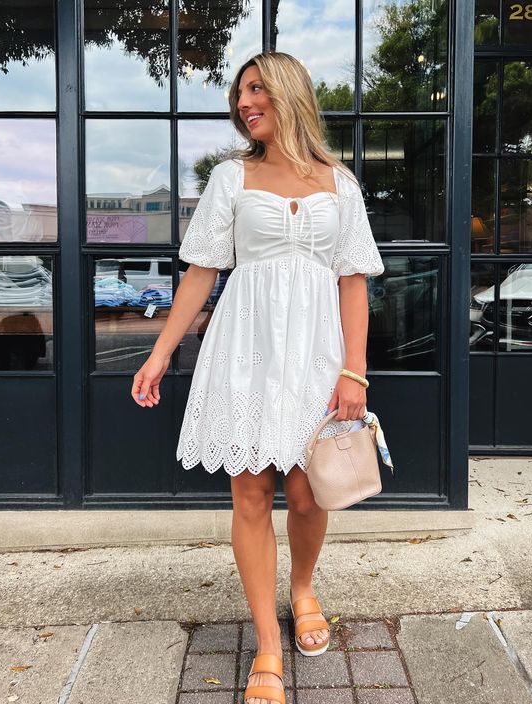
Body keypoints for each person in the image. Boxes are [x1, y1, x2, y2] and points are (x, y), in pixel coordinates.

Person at [132, 51, 384, 704]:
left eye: (256, 89)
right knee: (251, 496)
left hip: (316, 357)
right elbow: (201, 272)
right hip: (247, 350)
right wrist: (160, 352)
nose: (244, 102)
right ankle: (266, 645)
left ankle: (302, 590)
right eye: (239, 92)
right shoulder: (230, 179)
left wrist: (354, 371)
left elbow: (352, 283)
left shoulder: (340, 184)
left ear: (288, 94)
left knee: (307, 495)